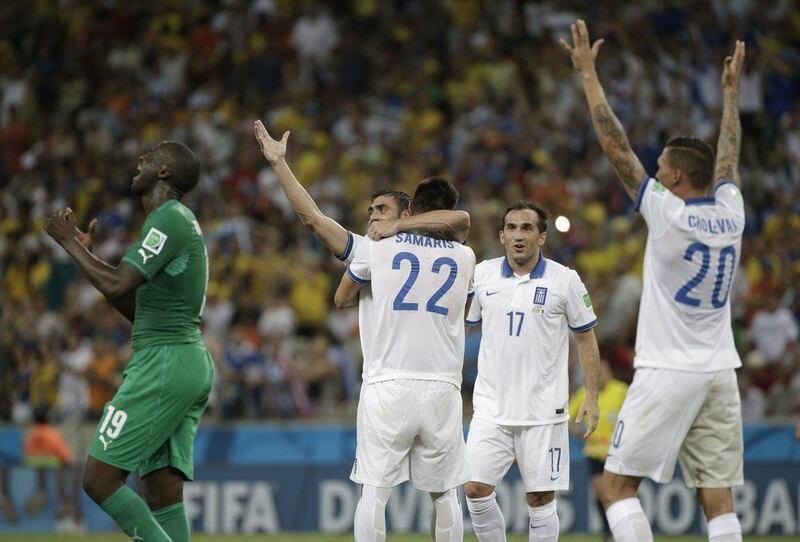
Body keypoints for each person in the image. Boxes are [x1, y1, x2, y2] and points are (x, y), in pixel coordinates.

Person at [562, 20, 746, 542]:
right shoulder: (732, 213)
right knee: (718, 499)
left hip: (667, 369)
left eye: (661, 167)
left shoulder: (668, 213)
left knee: (615, 490)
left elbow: (616, 147)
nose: (655, 170)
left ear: (673, 179)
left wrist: (588, 75)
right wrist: (730, 97)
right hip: (719, 371)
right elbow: (728, 158)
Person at [44, 141, 214, 542]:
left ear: (165, 173)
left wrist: (68, 242)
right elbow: (135, 306)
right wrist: (88, 256)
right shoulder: (175, 220)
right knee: (160, 489)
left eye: (151, 157)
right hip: (183, 357)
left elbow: (118, 282)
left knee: (99, 480)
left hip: (166, 362)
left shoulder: (168, 219)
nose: (140, 160)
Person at [335, 177, 476, 542]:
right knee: (446, 494)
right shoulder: (465, 257)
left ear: (411, 209)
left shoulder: (378, 247)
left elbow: (341, 299)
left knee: (374, 491)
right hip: (443, 386)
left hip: (388, 382)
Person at [463, 202, 601, 542]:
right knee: (475, 489)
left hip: (543, 411)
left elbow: (585, 338)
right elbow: (458, 331)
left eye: (527, 228)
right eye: (511, 228)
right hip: (491, 408)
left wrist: (592, 395)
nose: (518, 235)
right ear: (501, 235)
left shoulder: (565, 280)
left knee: (539, 499)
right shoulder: (481, 275)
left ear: (542, 236)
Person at [569, 360, 628, 541]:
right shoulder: (584, 395)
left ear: (610, 373)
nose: (600, 376)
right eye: (597, 373)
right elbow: (570, 418)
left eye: (603, 372)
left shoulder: (620, 391)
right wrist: (577, 430)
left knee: (615, 493)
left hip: (616, 451)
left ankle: (620, 528)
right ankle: (608, 530)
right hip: (594, 451)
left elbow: (632, 416)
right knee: (600, 492)